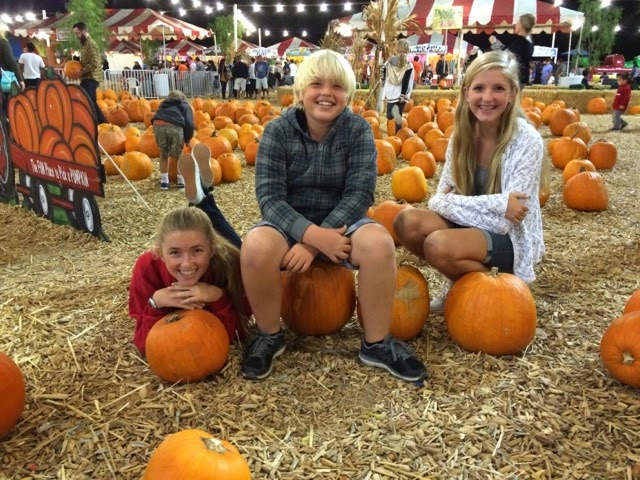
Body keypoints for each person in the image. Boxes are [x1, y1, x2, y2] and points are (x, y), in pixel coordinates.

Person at [240, 49, 427, 383]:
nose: (326, 93)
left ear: (348, 94)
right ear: (301, 91)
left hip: (343, 223)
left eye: (337, 86)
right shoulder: (277, 132)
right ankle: (269, 334)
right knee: (255, 246)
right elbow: (270, 199)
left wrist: (318, 241)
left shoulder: (357, 130)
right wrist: (310, 235)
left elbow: (359, 194)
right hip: (289, 222)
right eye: (317, 84)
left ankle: (376, 342)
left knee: (379, 243)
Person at [393, 50, 545, 313]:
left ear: (513, 93)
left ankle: (501, 294)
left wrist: (450, 203)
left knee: (438, 245)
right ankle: (467, 286)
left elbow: (506, 221)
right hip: (472, 225)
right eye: (479, 88)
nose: (487, 97)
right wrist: (499, 203)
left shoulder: (527, 140)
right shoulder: (461, 136)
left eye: (498, 88)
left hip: (510, 239)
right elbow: (439, 201)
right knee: (406, 222)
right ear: (466, 93)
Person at [128, 201, 248, 355]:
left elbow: (239, 335)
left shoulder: (231, 264)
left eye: (197, 250)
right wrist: (156, 303)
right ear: (160, 254)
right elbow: (144, 345)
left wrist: (217, 297)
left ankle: (204, 199)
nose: (187, 263)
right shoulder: (147, 268)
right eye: (175, 253)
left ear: (211, 249)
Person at [151, 90, 193, 191]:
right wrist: (187, 139)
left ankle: (164, 182)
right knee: (178, 155)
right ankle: (181, 182)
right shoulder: (184, 105)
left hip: (158, 124)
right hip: (174, 126)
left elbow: (158, 116)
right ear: (182, 98)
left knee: (163, 154)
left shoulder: (163, 104)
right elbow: (189, 124)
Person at [71, 22, 106, 124]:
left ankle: (89, 124)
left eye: (77, 33)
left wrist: (81, 71)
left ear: (83, 32)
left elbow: (94, 63)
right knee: (91, 103)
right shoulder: (86, 44)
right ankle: (102, 123)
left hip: (90, 78)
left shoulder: (90, 44)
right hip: (88, 77)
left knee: (84, 101)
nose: (76, 36)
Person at [489, 13, 535, 89]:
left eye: (517, 23)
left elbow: (507, 56)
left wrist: (494, 43)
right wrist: (497, 43)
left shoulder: (521, 41)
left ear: (521, 25)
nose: (515, 25)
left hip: (515, 78)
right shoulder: (528, 41)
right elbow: (508, 51)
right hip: (521, 79)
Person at [382, 39, 413, 135]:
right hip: (401, 94)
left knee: (391, 116)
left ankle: (397, 135)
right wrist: (403, 95)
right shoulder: (408, 65)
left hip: (392, 93)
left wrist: (382, 82)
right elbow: (406, 81)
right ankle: (398, 135)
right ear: (408, 51)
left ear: (396, 49)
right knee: (396, 116)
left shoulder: (390, 62)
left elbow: (383, 71)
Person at [0, 29, 25, 115]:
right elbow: (11, 61)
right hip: (4, 79)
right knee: (8, 105)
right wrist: (20, 79)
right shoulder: (2, 42)